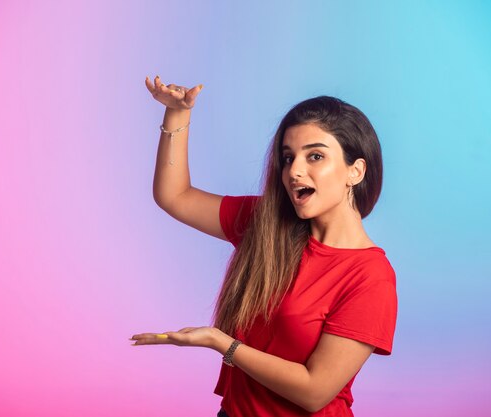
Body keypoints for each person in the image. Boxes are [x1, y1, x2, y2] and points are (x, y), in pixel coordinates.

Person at [131, 75, 398, 417]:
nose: (294, 171)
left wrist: (222, 343)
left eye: (315, 156)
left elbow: (315, 391)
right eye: (288, 158)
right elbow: (175, 196)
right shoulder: (266, 224)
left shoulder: (371, 278)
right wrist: (177, 114)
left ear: (355, 171)